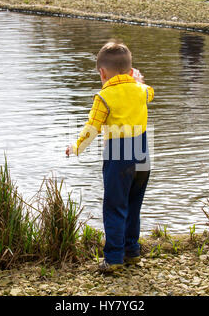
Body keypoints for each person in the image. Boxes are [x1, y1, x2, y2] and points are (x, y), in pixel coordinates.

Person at [66, 41, 154, 273]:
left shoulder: (104, 96)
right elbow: (149, 92)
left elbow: (92, 128)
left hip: (119, 155)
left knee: (115, 206)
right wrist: (137, 80)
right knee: (134, 204)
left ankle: (113, 258)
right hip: (143, 155)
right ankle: (132, 252)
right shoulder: (142, 90)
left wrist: (75, 148)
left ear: (102, 72)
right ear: (130, 70)